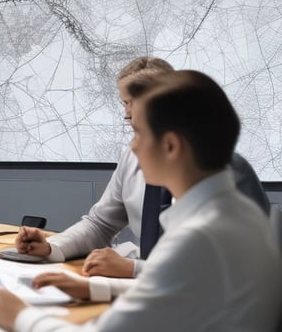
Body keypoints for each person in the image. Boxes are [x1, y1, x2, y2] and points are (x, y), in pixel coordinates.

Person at [0, 70, 282, 332]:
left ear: (170, 145)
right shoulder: (239, 213)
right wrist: (96, 288)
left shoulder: (198, 238)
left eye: (138, 133)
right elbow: (182, 283)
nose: (133, 147)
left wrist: (18, 316)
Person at [15, 57, 269, 281]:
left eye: (135, 103)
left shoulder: (222, 171)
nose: (128, 112)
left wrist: (134, 269)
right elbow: (101, 223)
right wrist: (51, 247)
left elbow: (229, 272)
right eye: (125, 104)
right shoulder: (134, 157)